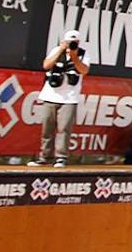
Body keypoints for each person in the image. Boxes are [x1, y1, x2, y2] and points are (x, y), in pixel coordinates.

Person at [31, 30, 89, 167]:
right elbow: (46, 65)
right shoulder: (57, 50)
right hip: (50, 95)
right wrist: (61, 51)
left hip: (69, 98)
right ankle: (45, 157)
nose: (71, 44)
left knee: (64, 129)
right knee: (47, 128)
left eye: (74, 42)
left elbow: (84, 71)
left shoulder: (83, 54)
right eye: (69, 42)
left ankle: (61, 157)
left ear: (79, 42)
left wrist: (74, 57)